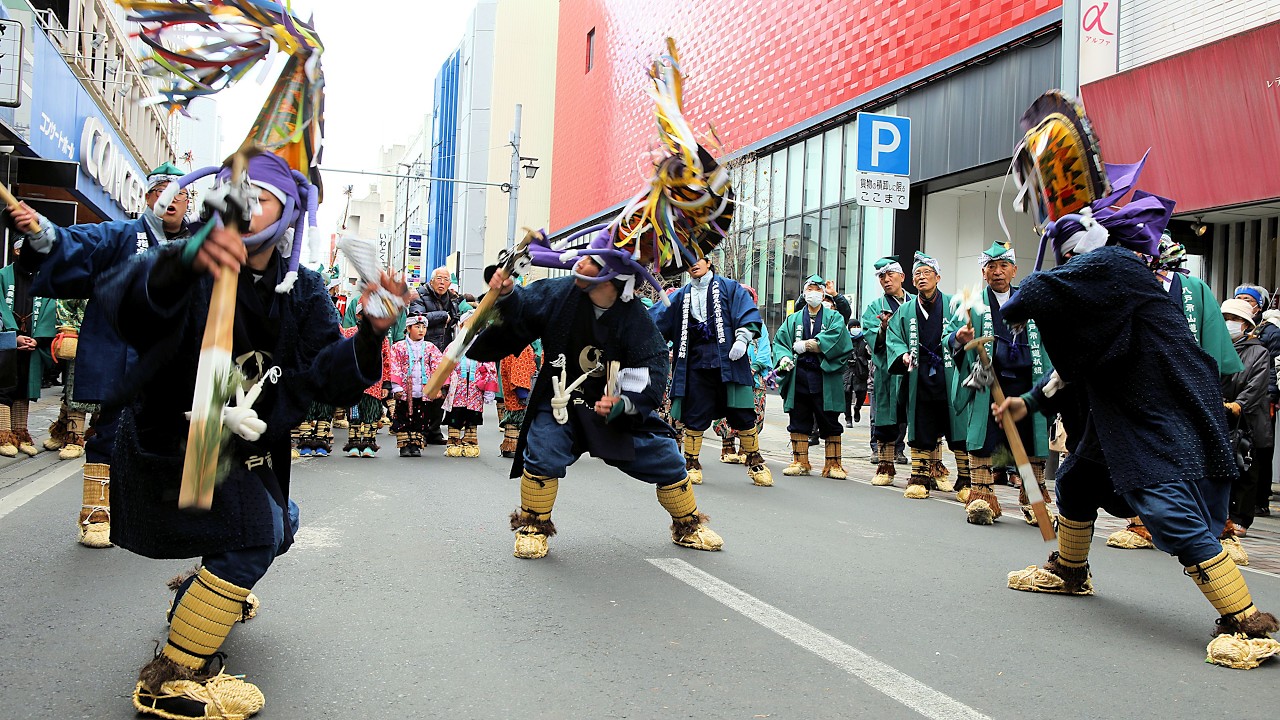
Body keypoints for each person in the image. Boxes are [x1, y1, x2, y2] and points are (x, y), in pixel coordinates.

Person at [15, 147, 406, 712]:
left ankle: (200, 603)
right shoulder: (184, 260)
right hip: (174, 441)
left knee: (282, 523)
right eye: (238, 196)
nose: (247, 208)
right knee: (255, 535)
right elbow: (130, 300)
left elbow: (326, 379)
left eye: (262, 198)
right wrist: (191, 258)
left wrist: (369, 337)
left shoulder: (305, 289)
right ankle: (171, 677)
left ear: (289, 214)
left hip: (248, 447)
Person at [996, 186, 1277, 669]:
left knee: (1167, 508)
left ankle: (1245, 619)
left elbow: (1034, 294)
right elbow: (1078, 364)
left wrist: (1021, 294)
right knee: (1077, 482)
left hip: (1161, 415)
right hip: (1122, 417)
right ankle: (1069, 570)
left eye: (1067, 257)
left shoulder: (1114, 266)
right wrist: (1029, 400)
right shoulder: (1111, 288)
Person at [470, 253, 723, 558]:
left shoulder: (633, 316)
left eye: (592, 261)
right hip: (559, 399)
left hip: (609, 406)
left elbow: (652, 365)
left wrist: (625, 402)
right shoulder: (561, 292)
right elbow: (524, 307)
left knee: (664, 456)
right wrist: (508, 293)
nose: (580, 264)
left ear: (612, 278)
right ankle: (533, 527)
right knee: (543, 449)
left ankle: (688, 526)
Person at [7, 162, 191, 547]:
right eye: (162, 192)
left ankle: (148, 511)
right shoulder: (120, 236)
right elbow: (74, 244)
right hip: (125, 356)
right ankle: (96, 513)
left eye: (180, 193)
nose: (171, 199)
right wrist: (42, 231)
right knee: (111, 431)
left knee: (170, 437)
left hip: (176, 363)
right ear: (148, 199)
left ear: (188, 202)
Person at [1107, 236, 1243, 548]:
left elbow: (1215, 353)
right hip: (1139, 393)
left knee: (1198, 457)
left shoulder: (1195, 290)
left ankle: (1208, 530)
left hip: (1190, 392)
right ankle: (1140, 524)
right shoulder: (1123, 285)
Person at [951, 242, 1050, 524]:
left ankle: (1033, 501)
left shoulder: (1030, 300)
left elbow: (1048, 341)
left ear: (1014, 270)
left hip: (1026, 383)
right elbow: (951, 336)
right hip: (988, 383)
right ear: (984, 272)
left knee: (1030, 443)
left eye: (1003, 266)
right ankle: (982, 497)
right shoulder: (971, 303)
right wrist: (959, 338)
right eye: (991, 267)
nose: (997, 272)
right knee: (985, 439)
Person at [651, 256, 771, 487]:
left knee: (742, 413)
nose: (693, 265)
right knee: (695, 414)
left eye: (697, 259)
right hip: (695, 364)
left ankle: (755, 461)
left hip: (729, 359)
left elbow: (746, 313)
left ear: (708, 261)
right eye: (687, 261)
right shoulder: (679, 295)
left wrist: (743, 339)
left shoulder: (729, 287)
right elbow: (655, 321)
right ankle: (691, 463)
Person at [884, 252, 970, 500]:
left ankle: (964, 480)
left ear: (938, 277)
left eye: (927, 273)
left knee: (957, 426)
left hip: (950, 375)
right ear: (912, 281)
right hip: (919, 375)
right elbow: (895, 338)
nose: (922, 278)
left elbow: (966, 333)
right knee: (921, 424)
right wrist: (902, 355)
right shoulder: (906, 311)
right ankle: (919, 477)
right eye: (917, 275)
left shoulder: (954, 304)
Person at [772, 274, 854, 478]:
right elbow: (781, 342)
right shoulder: (793, 319)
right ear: (804, 292)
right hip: (799, 375)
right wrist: (783, 359)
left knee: (829, 419)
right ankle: (800, 461)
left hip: (824, 374)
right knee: (798, 417)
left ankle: (834, 464)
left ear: (824, 293)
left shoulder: (834, 317)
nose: (814, 293)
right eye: (810, 289)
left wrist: (810, 345)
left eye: (818, 289)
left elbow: (839, 339)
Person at [1218, 298, 1271, 558]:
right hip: (1218, 414)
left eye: (1235, 319)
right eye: (1226, 317)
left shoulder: (1258, 351)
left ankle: (1240, 517)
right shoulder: (1215, 346)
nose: (1230, 323)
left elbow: (1257, 384)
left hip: (1247, 419)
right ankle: (1219, 514)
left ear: (1247, 325)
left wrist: (1238, 404)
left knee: (1246, 466)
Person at [862, 256, 913, 485]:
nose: (886, 279)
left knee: (918, 414)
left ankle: (927, 469)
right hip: (888, 370)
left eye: (890, 274)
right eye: (882, 276)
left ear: (902, 277)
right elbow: (871, 336)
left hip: (914, 369)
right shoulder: (875, 306)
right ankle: (885, 464)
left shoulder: (915, 302)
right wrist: (882, 327)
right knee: (886, 413)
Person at [0, 248, 56, 457]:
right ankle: (3, 435)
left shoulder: (45, 281)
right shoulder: (2, 276)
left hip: (32, 342)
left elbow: (50, 310)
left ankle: (20, 434)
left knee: (24, 387)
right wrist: (12, 336)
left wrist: (38, 338)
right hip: (6, 341)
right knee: (4, 386)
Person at [714, 284, 772, 463]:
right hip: (729, 373)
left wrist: (754, 367)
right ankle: (727, 446)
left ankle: (746, 449)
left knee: (752, 412)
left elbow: (764, 349)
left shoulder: (758, 324)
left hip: (753, 377)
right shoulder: (723, 320)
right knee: (727, 407)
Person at [408, 266, 461, 445]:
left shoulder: (452, 298)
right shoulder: (419, 295)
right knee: (422, 389)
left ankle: (435, 430)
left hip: (444, 349)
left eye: (446, 279)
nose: (442, 282)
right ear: (432, 280)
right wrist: (442, 315)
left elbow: (455, 318)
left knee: (441, 390)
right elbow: (417, 317)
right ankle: (420, 429)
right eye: (439, 278)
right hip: (422, 349)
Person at [339, 305, 392, 458]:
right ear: (359, 316)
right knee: (354, 415)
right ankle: (353, 444)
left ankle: (369, 444)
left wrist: (386, 383)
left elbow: (386, 360)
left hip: (373, 384)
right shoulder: (348, 334)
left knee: (370, 415)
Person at [388, 315, 443, 457]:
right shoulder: (398, 347)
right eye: (417, 327)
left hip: (423, 390)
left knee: (421, 418)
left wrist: (436, 388)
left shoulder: (430, 347)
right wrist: (397, 387)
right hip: (405, 390)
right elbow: (395, 367)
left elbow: (438, 367)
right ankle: (404, 445)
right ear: (408, 328)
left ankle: (416, 444)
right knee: (403, 417)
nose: (421, 330)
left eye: (424, 327)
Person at [44, 298, 90, 460]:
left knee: (107, 390)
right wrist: (69, 329)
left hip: (114, 337)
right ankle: (74, 437)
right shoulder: (84, 273)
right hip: (82, 335)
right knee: (76, 384)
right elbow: (65, 301)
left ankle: (65, 430)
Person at [443, 355, 496, 458]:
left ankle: (470, 441)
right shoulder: (454, 347)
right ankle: (453, 441)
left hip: (475, 388)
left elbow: (491, 369)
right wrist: (444, 384)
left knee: (473, 415)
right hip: (457, 388)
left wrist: (489, 389)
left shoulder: (483, 348)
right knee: (455, 414)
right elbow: (444, 365)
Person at [844, 319, 869, 426]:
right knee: (846, 394)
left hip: (860, 370)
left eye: (857, 326)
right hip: (847, 370)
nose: (855, 329)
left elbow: (869, 356)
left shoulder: (864, 340)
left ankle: (857, 408)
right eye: (853, 327)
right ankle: (848, 418)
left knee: (861, 393)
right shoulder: (845, 339)